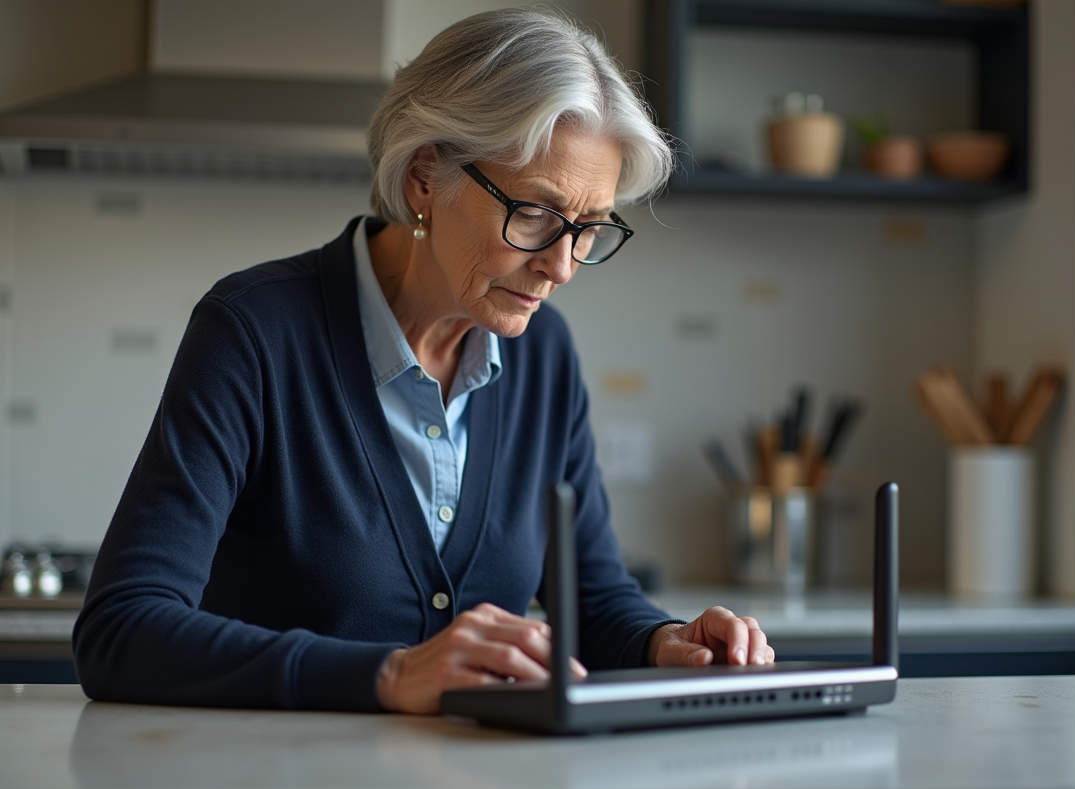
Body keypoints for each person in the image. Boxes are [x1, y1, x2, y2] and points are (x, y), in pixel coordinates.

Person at [73, 8, 773, 715]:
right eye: (534, 213)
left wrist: (669, 642)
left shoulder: (546, 355)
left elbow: (591, 600)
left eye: (589, 228)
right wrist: (389, 675)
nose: (562, 266)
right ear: (423, 180)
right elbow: (121, 630)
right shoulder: (253, 333)